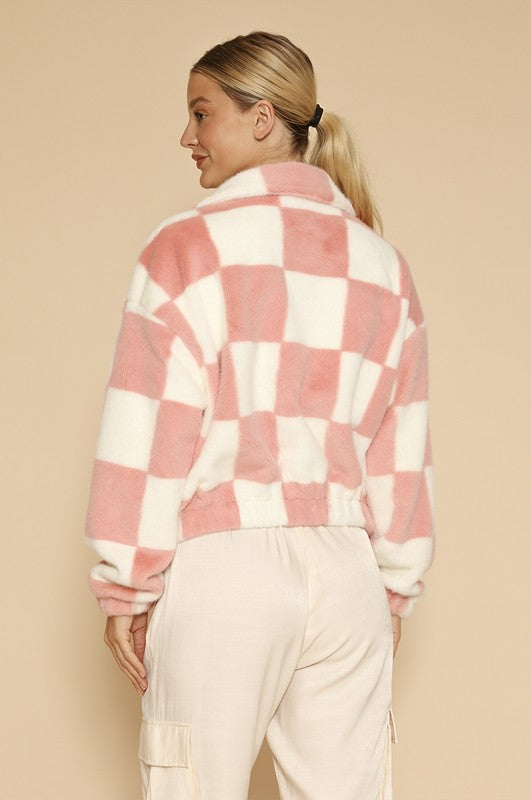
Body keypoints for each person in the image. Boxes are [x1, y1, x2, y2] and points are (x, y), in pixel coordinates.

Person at [84, 29, 435, 800]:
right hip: (347, 574)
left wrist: (127, 586)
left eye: (200, 112)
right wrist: (391, 588)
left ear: (263, 117)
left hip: (224, 569)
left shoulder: (184, 248)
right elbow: (400, 448)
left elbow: (148, 428)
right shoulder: (381, 264)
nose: (187, 136)